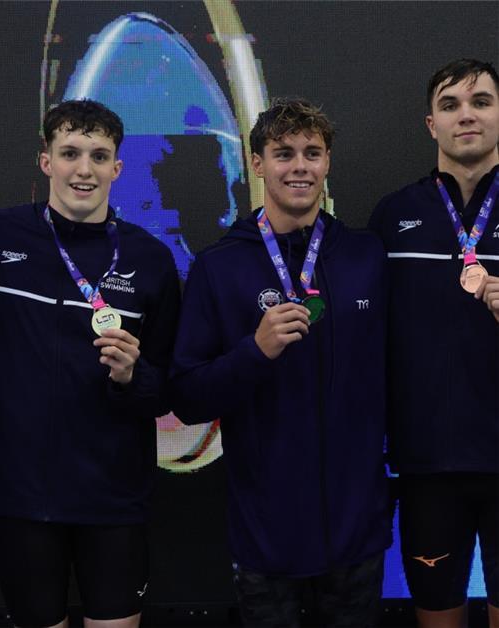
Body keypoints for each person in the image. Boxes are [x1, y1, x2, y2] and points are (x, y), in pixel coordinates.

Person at [0, 99, 180, 628]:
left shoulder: (150, 260)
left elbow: (167, 387)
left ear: (117, 168)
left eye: (99, 156)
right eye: (70, 153)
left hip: (113, 497)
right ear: (45, 161)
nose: (84, 169)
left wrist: (131, 377)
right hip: (22, 495)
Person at [170, 97, 391, 627]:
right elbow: (187, 395)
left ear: (328, 162)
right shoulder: (219, 266)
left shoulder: (366, 256)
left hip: (356, 527)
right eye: (284, 152)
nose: (299, 166)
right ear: (257, 163)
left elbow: (397, 374)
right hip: (266, 533)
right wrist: (254, 352)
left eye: (312, 153)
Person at [368, 58, 499, 628]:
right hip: (426, 466)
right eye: (450, 105)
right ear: (430, 125)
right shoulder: (395, 215)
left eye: (481, 102)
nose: (465, 115)